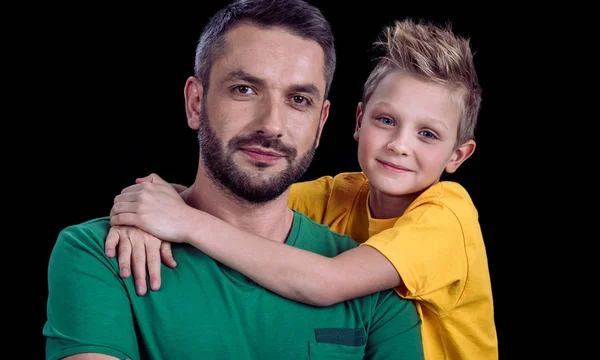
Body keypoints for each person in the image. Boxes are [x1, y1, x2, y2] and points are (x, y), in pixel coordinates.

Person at [42, 0, 425, 360]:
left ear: (321, 123)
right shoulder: (102, 254)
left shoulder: (372, 288)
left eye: (298, 100)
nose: (272, 125)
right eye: (244, 89)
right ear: (195, 103)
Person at [106, 18, 498, 359]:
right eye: (386, 120)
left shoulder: (448, 217)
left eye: (427, 134)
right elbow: (231, 202)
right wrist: (145, 210)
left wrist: (182, 222)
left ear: (458, 155)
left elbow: (326, 282)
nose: (400, 144)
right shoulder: (339, 194)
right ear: (359, 121)